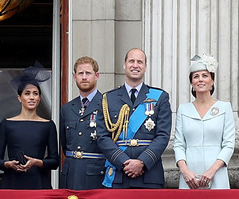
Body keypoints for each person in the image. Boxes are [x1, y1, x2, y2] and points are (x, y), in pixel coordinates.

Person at [96, 48, 172, 188]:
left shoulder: (160, 97)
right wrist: (124, 162)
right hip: (119, 174)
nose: (135, 65)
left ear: (145, 67)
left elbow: (163, 136)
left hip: (149, 174)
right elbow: (102, 137)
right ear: (124, 65)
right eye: (131, 61)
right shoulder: (108, 98)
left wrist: (142, 162)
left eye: (140, 62)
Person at [173, 55, 235, 189]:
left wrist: (212, 171)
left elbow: (229, 144)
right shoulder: (183, 109)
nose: (200, 79)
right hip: (189, 176)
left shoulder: (225, 108)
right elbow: (178, 144)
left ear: (212, 81)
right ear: (191, 83)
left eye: (205, 75)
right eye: (196, 76)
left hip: (217, 173)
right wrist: (185, 171)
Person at [0, 66, 58, 189]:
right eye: (27, 93)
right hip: (11, 183)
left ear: (39, 98)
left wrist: (37, 162)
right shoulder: (7, 124)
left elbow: (55, 161)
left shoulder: (48, 125)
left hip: (38, 183)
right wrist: (9, 164)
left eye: (35, 94)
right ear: (19, 98)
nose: (31, 97)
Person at [60, 56, 104, 190]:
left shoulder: (106, 104)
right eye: (80, 73)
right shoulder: (67, 108)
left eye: (88, 73)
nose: (84, 77)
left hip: (96, 175)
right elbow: (65, 144)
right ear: (74, 77)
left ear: (96, 75)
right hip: (71, 174)